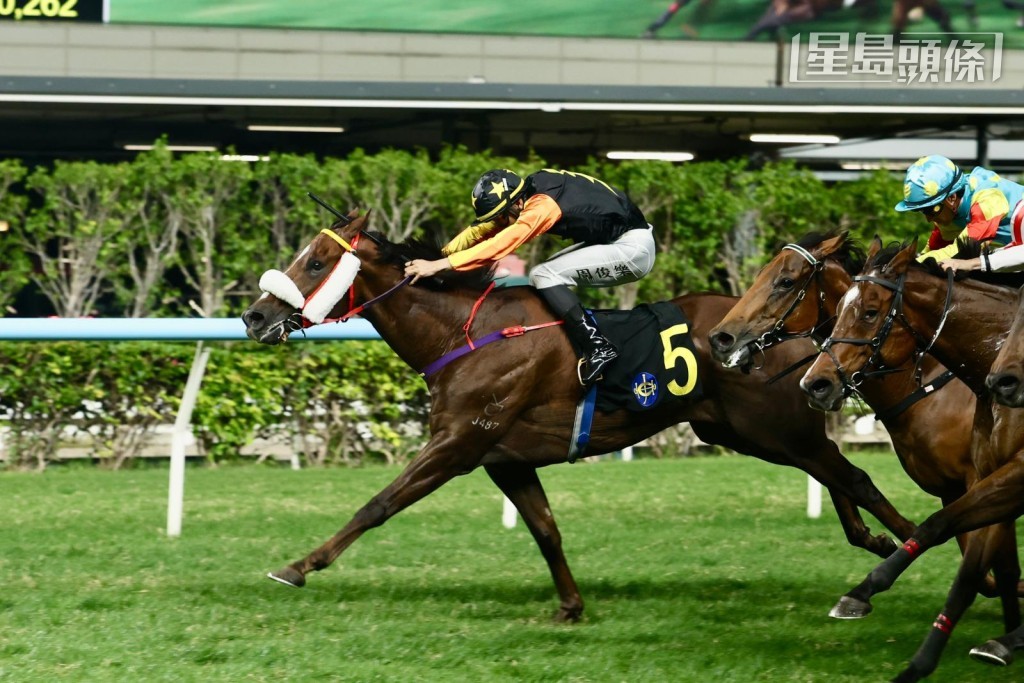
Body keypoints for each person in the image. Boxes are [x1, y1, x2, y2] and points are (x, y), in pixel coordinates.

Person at [404, 168, 655, 387]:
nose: (500, 223)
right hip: (616, 239)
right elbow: (482, 229)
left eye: (502, 216)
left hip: (633, 250)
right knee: (542, 275)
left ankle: (599, 346)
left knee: (543, 274)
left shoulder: (541, 207)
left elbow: (502, 243)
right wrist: (441, 254)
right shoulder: (528, 191)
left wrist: (440, 265)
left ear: (516, 204)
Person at [894, 155, 1024, 270]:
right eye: (921, 211)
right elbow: (930, 253)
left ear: (951, 198)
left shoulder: (987, 200)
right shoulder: (949, 212)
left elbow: (962, 251)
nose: (928, 219)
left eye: (930, 210)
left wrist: (909, 264)